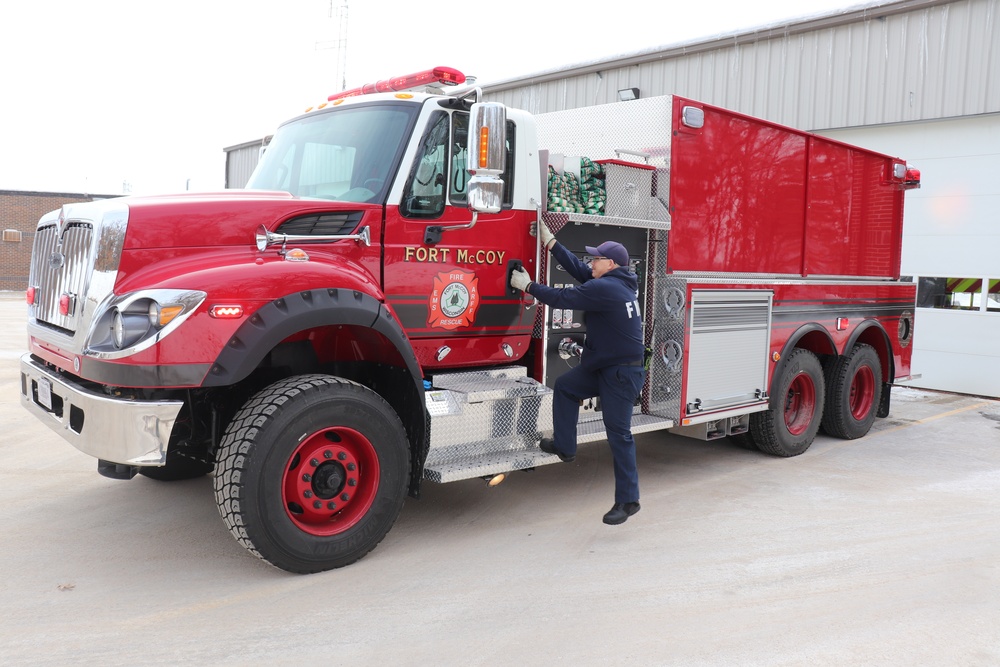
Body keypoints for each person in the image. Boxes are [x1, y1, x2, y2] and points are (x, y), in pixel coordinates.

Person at [510, 221, 647, 525]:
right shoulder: (620, 282)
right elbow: (579, 270)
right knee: (567, 386)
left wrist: (528, 286)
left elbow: (562, 299)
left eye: (596, 258)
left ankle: (628, 500)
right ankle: (565, 446)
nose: (591, 262)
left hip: (621, 374)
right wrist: (551, 243)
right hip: (605, 367)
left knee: (619, 435)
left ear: (610, 264)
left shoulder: (607, 288)